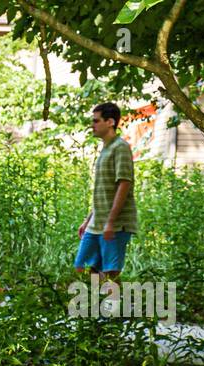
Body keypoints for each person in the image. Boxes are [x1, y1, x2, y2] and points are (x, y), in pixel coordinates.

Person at [74, 102, 138, 306]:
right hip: (97, 223)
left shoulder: (120, 147)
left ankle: (118, 313)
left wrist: (111, 222)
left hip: (116, 223)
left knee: (110, 272)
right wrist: (88, 220)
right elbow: (104, 191)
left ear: (110, 122)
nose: (92, 125)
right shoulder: (105, 149)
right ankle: (97, 311)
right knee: (85, 266)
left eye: (96, 121)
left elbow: (124, 183)